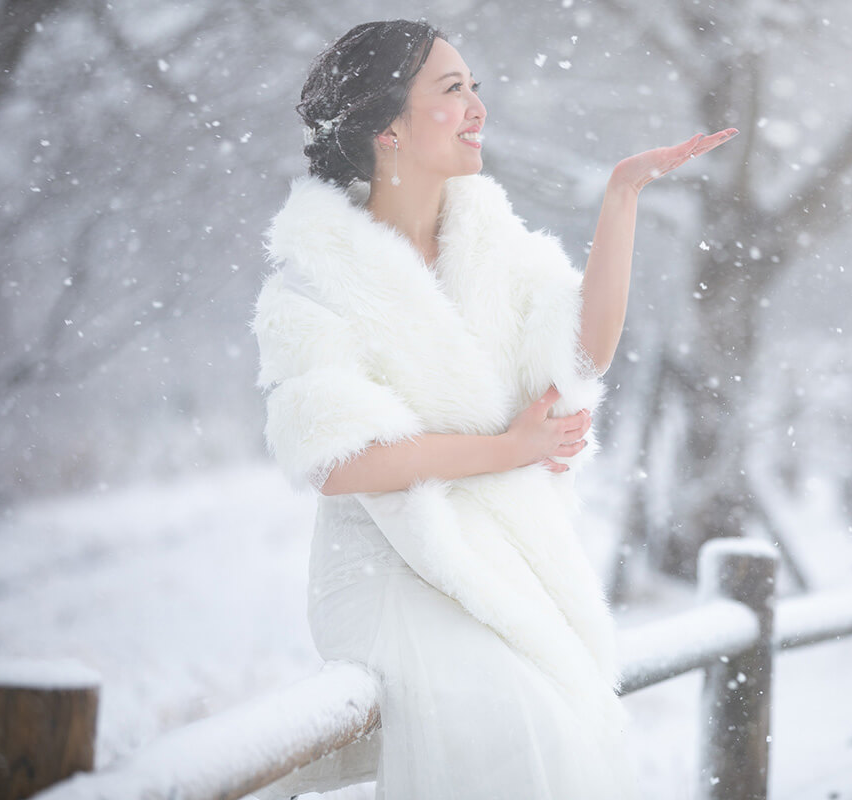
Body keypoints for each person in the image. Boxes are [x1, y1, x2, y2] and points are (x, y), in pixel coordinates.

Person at [251, 19, 736, 800]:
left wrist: (623, 196)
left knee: (557, 715)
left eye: (476, 87)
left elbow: (580, 355)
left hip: (496, 556)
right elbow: (340, 463)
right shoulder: (312, 279)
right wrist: (509, 448)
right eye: (452, 90)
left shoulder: (488, 242)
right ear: (388, 127)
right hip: (386, 567)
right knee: (514, 716)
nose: (478, 106)